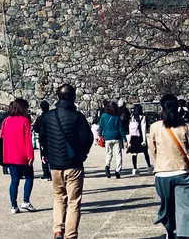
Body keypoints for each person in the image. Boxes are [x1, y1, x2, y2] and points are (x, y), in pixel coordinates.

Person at [42, 84, 94, 239]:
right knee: (73, 202)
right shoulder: (77, 117)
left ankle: (58, 230)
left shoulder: (49, 116)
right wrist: (82, 155)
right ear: (73, 97)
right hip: (73, 165)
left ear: (58, 97)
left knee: (58, 197)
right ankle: (71, 235)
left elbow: (43, 138)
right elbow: (87, 138)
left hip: (55, 165)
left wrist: (48, 154)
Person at [146, 98, 189, 239]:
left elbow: (153, 148)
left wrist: (160, 161)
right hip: (182, 170)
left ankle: (169, 228)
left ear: (162, 108)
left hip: (163, 172)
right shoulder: (185, 126)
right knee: (186, 206)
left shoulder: (155, 127)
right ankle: (183, 234)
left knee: (168, 205)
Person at [0, 98, 37, 213]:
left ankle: (13, 206)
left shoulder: (6, 121)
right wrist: (31, 155)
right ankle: (26, 201)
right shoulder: (25, 121)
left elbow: (2, 136)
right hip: (23, 155)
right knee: (29, 177)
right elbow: (28, 140)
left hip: (9, 155)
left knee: (14, 181)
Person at [98, 100, 125, 178]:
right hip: (117, 137)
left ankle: (107, 166)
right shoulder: (117, 117)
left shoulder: (103, 116)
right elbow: (121, 129)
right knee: (118, 154)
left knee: (108, 153)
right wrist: (125, 140)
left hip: (107, 137)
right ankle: (118, 170)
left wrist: (100, 135)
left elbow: (101, 127)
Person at [126, 103, 151, 174]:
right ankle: (149, 167)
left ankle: (135, 168)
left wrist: (129, 140)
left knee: (134, 154)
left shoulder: (132, 117)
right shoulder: (142, 117)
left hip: (133, 137)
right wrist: (144, 140)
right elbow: (143, 129)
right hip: (140, 137)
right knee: (145, 153)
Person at [34, 100, 52, 180]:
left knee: (44, 157)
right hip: (52, 139)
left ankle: (46, 173)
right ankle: (54, 172)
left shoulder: (40, 118)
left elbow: (36, 129)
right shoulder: (52, 117)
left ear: (41, 108)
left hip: (43, 140)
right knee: (52, 156)